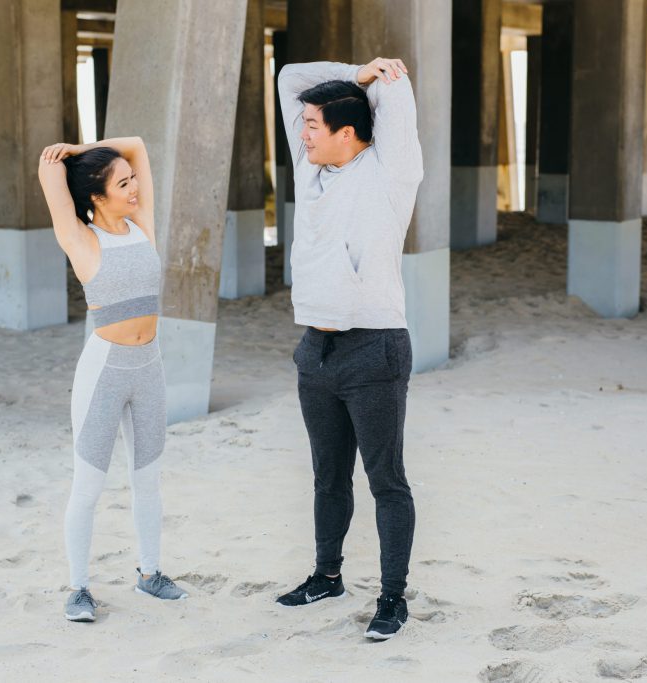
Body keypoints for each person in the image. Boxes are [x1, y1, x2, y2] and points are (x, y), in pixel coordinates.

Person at [274, 57, 424, 640]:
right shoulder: (310, 169)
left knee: (386, 479)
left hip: (375, 347)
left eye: (313, 124)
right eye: (304, 123)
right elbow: (289, 77)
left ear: (348, 132)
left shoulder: (390, 174)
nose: (302, 131)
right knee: (326, 476)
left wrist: (378, 81)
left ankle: (391, 599)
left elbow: (396, 95)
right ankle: (326, 575)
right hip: (315, 350)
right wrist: (354, 72)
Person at [37, 137, 186, 623]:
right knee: (89, 485)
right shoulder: (81, 239)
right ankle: (79, 587)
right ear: (97, 197)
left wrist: (86, 146)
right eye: (123, 183)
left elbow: (141, 145)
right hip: (104, 370)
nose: (136, 186)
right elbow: (51, 178)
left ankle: (150, 574)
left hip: (150, 367)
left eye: (133, 179)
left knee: (148, 478)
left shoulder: (141, 227)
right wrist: (67, 160)